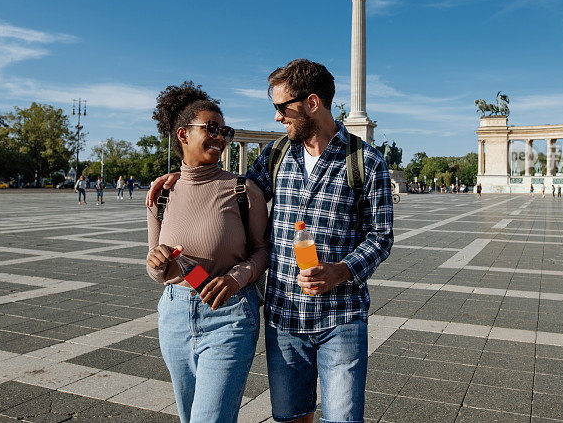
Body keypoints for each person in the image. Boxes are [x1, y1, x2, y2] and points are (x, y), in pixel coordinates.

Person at [148, 59, 394, 423]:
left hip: (341, 316)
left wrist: (341, 271)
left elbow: (381, 236)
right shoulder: (276, 155)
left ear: (312, 103)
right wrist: (182, 177)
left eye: (282, 108)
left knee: (342, 418)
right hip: (284, 318)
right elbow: (227, 194)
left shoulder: (366, 161)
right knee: (292, 417)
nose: (278, 118)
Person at [146, 82, 269, 423]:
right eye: (210, 129)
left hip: (229, 316)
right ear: (183, 134)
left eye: (224, 131)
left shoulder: (244, 190)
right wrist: (157, 264)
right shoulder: (162, 194)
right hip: (174, 316)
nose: (220, 137)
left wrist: (236, 277)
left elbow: (262, 250)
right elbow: (158, 268)